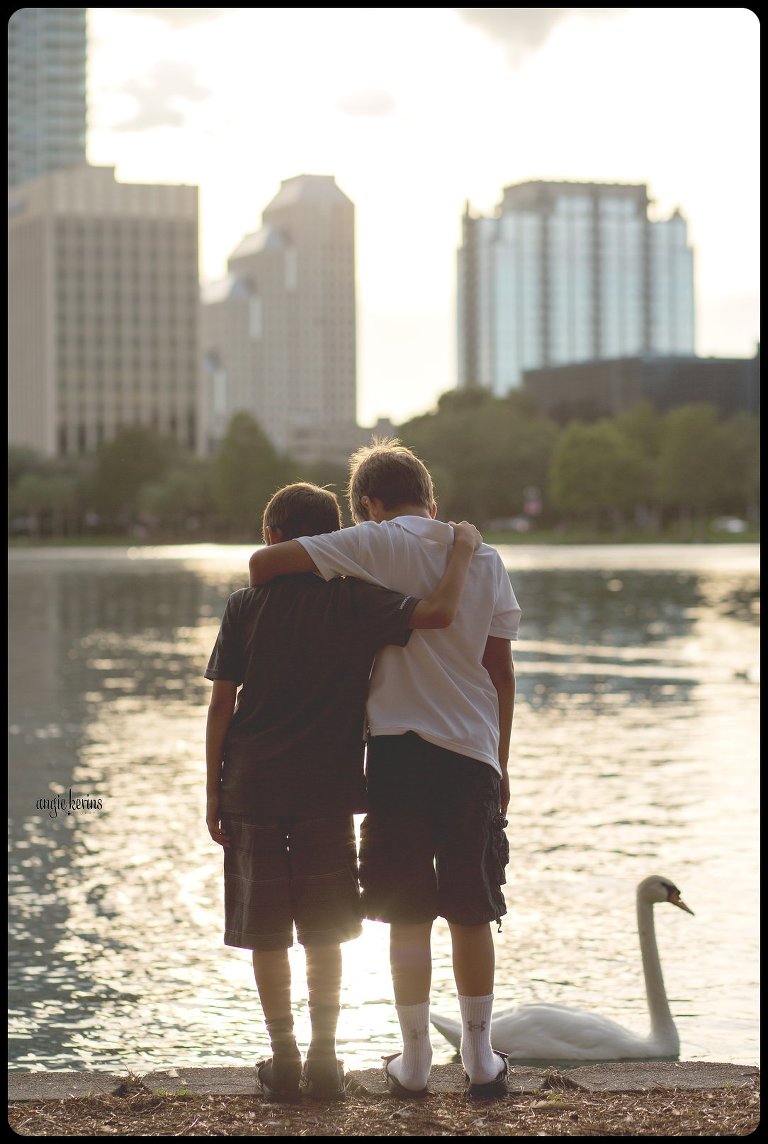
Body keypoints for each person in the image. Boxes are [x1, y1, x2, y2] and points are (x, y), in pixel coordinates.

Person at [247, 442, 521, 1100]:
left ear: (368, 502)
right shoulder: (483, 557)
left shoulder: (370, 542)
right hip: (471, 750)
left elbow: (262, 566)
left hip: (397, 749)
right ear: (430, 497)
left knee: (406, 910)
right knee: (471, 907)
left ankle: (418, 1060)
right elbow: (500, 670)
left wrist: (332, 564)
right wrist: (501, 761)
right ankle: (481, 1060)